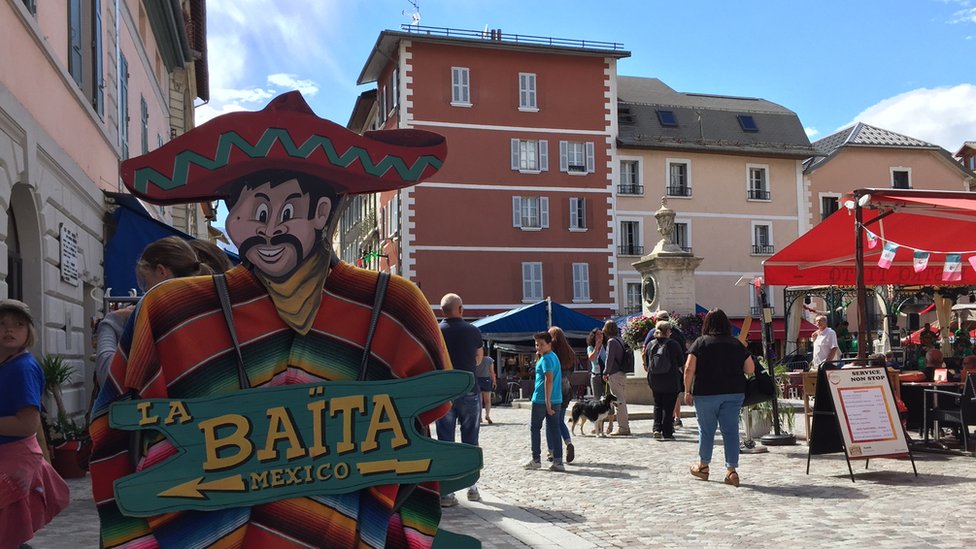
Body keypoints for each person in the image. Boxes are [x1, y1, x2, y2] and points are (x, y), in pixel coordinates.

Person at [90, 91, 454, 548]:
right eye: (254, 212)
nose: (268, 230)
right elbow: (115, 437)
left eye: (286, 212)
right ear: (231, 215)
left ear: (322, 212)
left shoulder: (391, 306)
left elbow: (419, 439)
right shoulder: (172, 311)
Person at [93, 236, 212, 386]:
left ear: (161, 271)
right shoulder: (204, 312)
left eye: (146, 282)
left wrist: (111, 322)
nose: (146, 291)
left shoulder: (162, 320)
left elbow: (109, 377)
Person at [0, 299, 70, 547]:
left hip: (13, 459)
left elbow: (27, 425)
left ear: (29, 332)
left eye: (18, 324)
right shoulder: (8, 364)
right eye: (2, 324)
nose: (9, 329)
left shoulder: (23, 368)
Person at [683, 309, 755, 487]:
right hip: (734, 392)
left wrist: (687, 391)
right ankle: (731, 470)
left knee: (706, 430)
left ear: (707, 324)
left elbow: (689, 368)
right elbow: (750, 369)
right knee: (730, 431)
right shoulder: (736, 344)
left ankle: (703, 466)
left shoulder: (700, 343)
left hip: (706, 393)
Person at [435, 292, 485, 506]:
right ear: (461, 309)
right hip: (469, 389)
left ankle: (447, 492)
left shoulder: (435, 331)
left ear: (442, 311)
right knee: (470, 440)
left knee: (445, 441)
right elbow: (479, 358)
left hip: (444, 391)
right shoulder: (473, 330)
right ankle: (472, 487)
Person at [523, 331, 564, 472]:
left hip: (542, 399)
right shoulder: (553, 357)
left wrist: (547, 402)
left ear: (549, 344)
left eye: (541, 344)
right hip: (556, 398)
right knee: (555, 429)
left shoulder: (546, 359)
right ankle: (558, 461)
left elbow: (549, 379)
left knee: (535, 428)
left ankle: (536, 459)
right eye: (536, 344)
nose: (538, 347)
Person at [642, 311, 688, 429]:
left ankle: (656, 429)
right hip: (671, 376)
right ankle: (669, 429)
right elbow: (682, 359)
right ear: (668, 331)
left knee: (658, 404)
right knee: (669, 404)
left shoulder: (651, 341)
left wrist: (647, 368)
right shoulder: (676, 338)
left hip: (654, 377)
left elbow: (645, 355)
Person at [548, 326, 576, 463]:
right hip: (566, 387)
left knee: (550, 421)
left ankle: (552, 451)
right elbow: (572, 371)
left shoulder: (551, 352)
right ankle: (568, 442)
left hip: (554, 387)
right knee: (560, 420)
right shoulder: (569, 352)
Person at [602, 320, 631, 435]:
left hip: (614, 373)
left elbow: (609, 359)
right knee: (622, 399)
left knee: (619, 401)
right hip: (622, 373)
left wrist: (605, 372)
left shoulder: (611, 341)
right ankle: (625, 425)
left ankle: (623, 427)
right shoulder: (620, 340)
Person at [476, 345, 496, 425]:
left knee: (479, 401)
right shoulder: (489, 360)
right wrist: (494, 381)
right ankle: (487, 415)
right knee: (487, 400)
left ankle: (480, 416)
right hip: (486, 380)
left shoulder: (476, 359)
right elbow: (492, 371)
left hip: (477, 379)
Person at [586, 327, 607, 400]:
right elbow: (591, 358)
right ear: (593, 336)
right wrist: (597, 347)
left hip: (605, 375)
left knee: (607, 398)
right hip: (596, 376)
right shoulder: (590, 347)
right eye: (598, 334)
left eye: (601, 334)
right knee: (597, 399)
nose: (600, 336)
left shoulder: (606, 346)